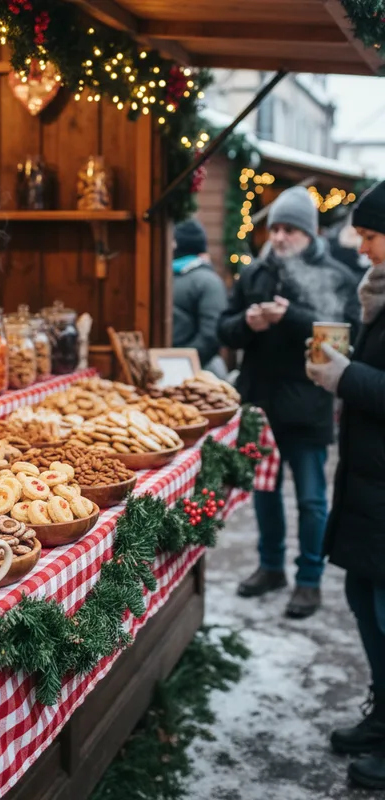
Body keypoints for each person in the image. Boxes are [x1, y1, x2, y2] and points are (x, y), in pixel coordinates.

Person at [217, 186, 360, 619]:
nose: (279, 237)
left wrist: (290, 317)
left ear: (311, 232)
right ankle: (271, 566)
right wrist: (247, 321)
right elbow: (224, 331)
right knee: (265, 494)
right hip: (260, 405)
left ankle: (310, 580)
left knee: (313, 500)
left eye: (290, 230)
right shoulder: (254, 274)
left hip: (309, 406)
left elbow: (345, 336)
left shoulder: (338, 276)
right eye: (274, 228)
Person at [307, 180, 385, 790]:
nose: (361, 247)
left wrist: (347, 376)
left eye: (371, 236)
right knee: (365, 599)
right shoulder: (375, 296)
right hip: (369, 481)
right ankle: (383, 717)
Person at [172, 218, 228, 376]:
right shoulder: (209, 281)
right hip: (196, 370)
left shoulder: (160, 277)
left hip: (193, 370)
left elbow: (210, 336)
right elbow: (212, 333)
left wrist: (176, 363)